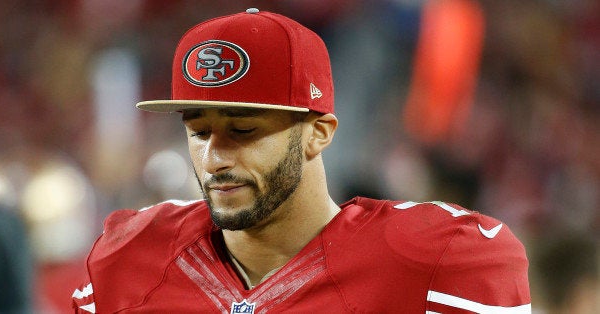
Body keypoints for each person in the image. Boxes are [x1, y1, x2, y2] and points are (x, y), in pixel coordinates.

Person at [72, 8, 531, 313]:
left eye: (244, 130)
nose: (214, 157)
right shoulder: (127, 259)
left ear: (318, 134)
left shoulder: (440, 263)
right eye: (198, 131)